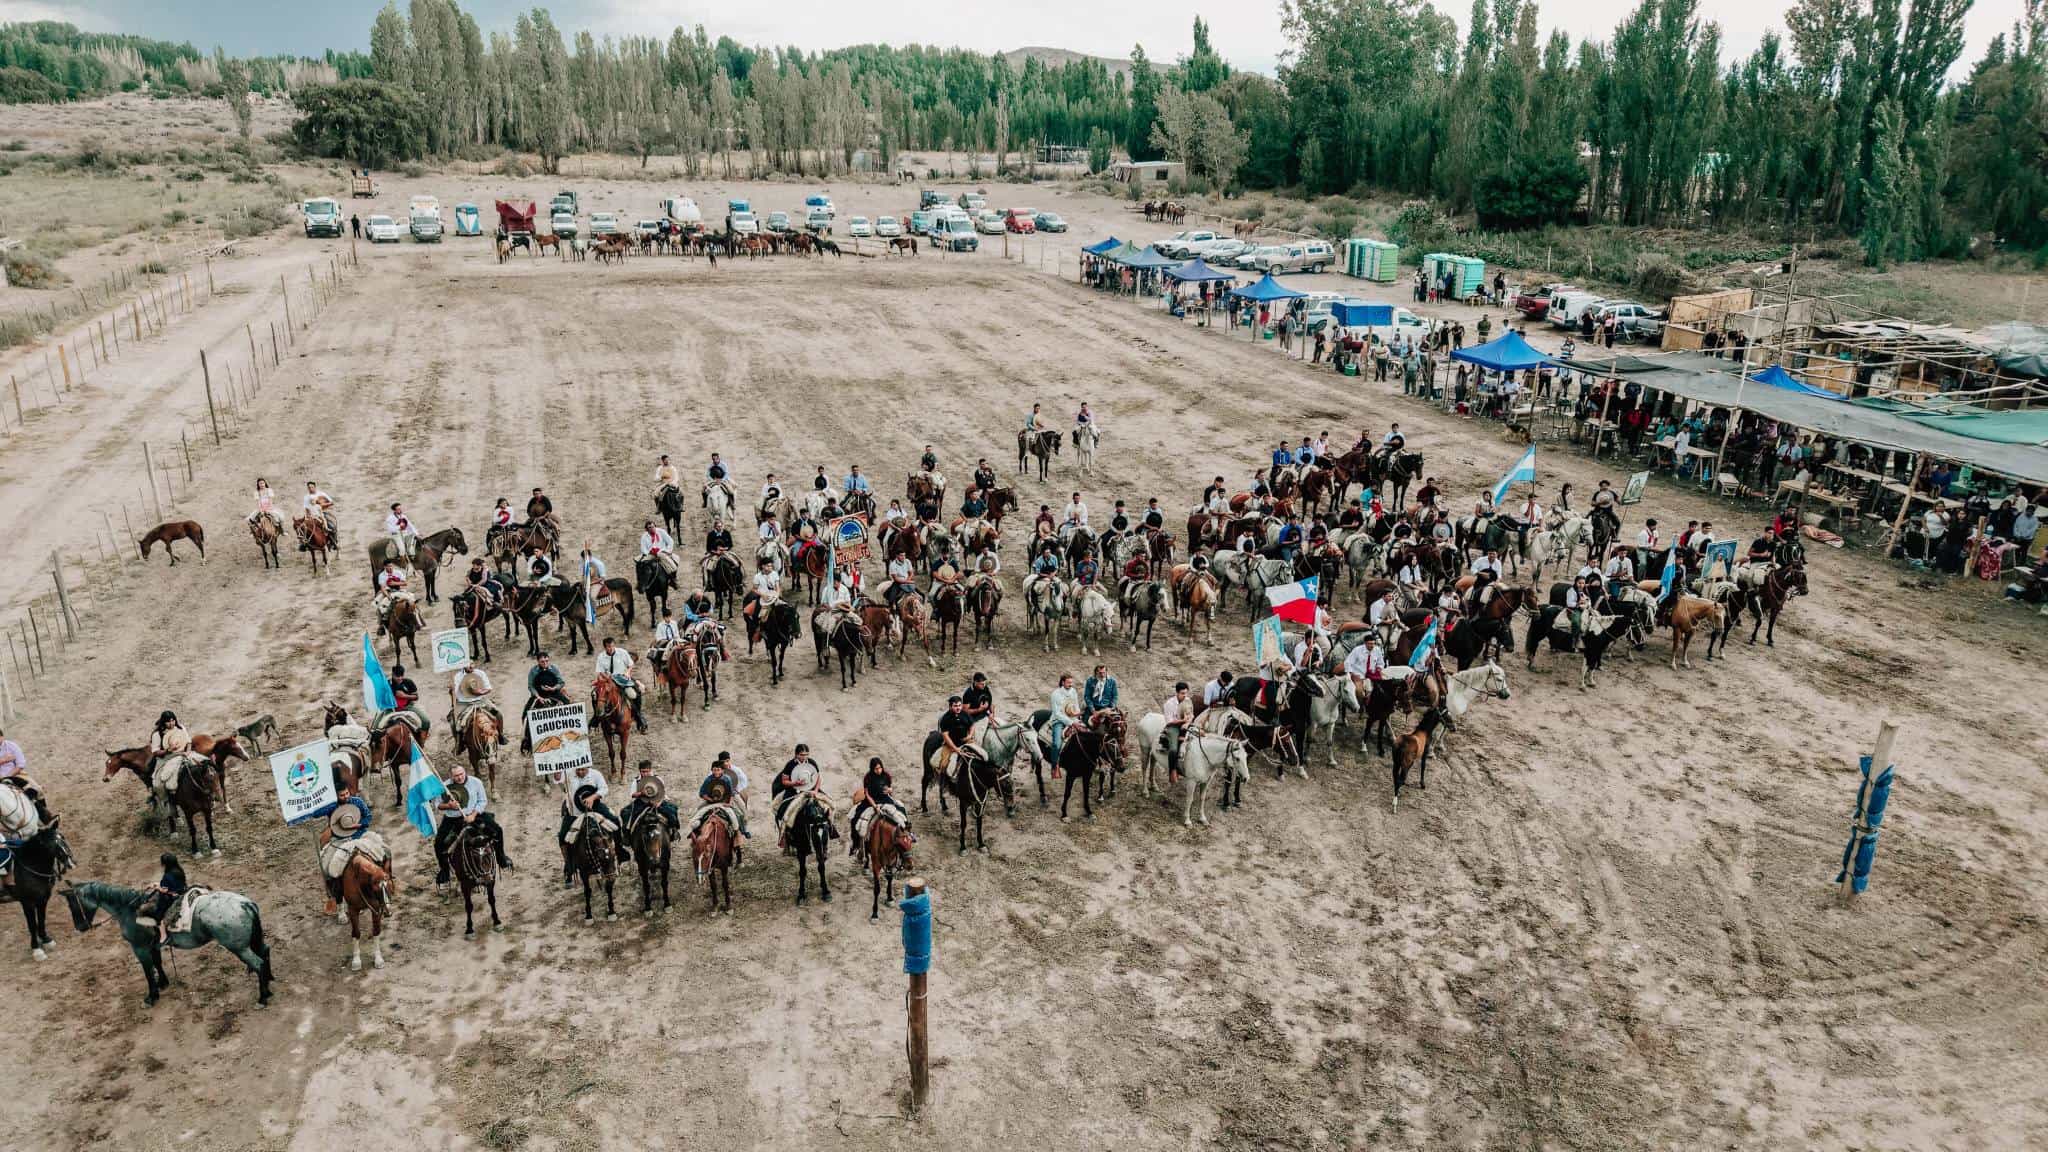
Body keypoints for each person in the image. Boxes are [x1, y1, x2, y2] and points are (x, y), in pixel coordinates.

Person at [433, 762, 514, 883]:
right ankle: (444, 872)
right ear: (451, 776)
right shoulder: (444, 786)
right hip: (452, 819)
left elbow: (482, 801)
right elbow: (437, 805)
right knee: (439, 843)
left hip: (475, 815)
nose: (460, 777)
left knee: (498, 830)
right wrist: (448, 805)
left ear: (465, 772)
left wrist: (473, 815)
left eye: (461, 774)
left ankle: (501, 858)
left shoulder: (476, 782)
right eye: (456, 776)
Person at [558, 765, 622, 883]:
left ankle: (619, 853)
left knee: (616, 822)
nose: (580, 772)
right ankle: (569, 867)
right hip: (574, 812)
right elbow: (558, 779)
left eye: (583, 770)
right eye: (578, 770)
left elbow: (604, 788)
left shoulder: (595, 774)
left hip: (595, 808)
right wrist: (556, 772)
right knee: (562, 837)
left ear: (588, 767)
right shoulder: (567, 773)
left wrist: (593, 797)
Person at [774, 744, 835, 851]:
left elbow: (818, 778)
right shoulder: (790, 764)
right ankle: (784, 834)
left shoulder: (811, 763)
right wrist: (795, 783)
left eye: (806, 755)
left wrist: (816, 791)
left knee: (830, 805)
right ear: (796, 754)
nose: (804, 757)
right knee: (785, 812)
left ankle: (831, 827)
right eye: (802, 755)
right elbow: (784, 781)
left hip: (811, 790)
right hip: (794, 792)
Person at [848, 757, 905, 859]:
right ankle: (855, 844)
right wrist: (874, 806)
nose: (878, 770)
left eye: (880, 768)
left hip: (884, 799)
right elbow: (867, 794)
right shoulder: (868, 778)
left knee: (901, 809)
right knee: (855, 819)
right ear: (872, 769)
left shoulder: (886, 775)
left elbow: (889, 789)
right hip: (870, 801)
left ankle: (906, 834)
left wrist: (890, 790)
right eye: (876, 769)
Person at [619, 760, 681, 841]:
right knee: (626, 814)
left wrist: (659, 802)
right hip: (642, 802)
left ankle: (674, 830)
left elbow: (662, 792)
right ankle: (627, 836)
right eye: (643, 772)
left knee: (672, 810)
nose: (645, 774)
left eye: (647, 771)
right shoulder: (636, 780)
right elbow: (633, 794)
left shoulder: (657, 778)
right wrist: (641, 793)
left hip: (657, 800)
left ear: (650, 770)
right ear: (640, 771)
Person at [134, 852, 189, 943]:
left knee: (158, 914)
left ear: (165, 864)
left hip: (171, 897)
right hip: (181, 892)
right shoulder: (179, 871)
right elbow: (171, 885)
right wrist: (156, 884)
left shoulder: (167, 875)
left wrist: (155, 887)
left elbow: (164, 890)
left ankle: (163, 936)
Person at [596, 636, 646, 734]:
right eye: (608, 647)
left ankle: (639, 717)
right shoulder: (601, 657)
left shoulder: (622, 652)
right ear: (605, 647)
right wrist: (607, 678)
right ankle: (596, 718)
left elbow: (631, 664)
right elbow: (600, 671)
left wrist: (627, 672)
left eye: (612, 646)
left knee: (634, 694)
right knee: (595, 694)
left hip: (622, 678)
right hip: (608, 679)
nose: (610, 649)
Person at [521, 652, 569, 751]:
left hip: (554, 693)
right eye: (542, 661)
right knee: (527, 714)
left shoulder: (554, 668)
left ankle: (571, 734)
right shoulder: (533, 671)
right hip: (539, 695)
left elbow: (561, 682)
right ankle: (527, 741)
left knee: (568, 705)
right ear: (538, 661)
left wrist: (554, 688)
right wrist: (538, 696)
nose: (545, 663)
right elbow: (531, 686)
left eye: (547, 661)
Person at [1047, 674, 1081, 776]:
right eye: (1068, 682)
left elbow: (1076, 706)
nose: (1071, 684)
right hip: (1059, 720)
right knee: (1057, 744)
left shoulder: (1073, 691)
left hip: (1072, 718)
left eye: (1071, 682)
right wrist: (1071, 722)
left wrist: (1077, 714)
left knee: (1087, 733)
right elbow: (1057, 713)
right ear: (1063, 682)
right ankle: (1054, 766)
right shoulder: (1055, 694)